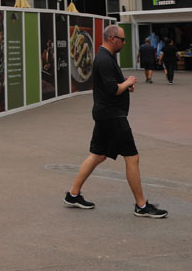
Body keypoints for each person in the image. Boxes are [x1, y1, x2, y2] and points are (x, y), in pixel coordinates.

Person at [64, 24, 167, 218]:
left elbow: (111, 85)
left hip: (106, 114)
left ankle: (73, 194)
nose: (124, 43)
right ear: (113, 38)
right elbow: (112, 90)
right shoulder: (104, 59)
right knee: (132, 158)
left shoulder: (106, 57)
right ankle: (142, 206)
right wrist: (127, 83)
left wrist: (125, 85)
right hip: (113, 117)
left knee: (98, 155)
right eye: (122, 39)